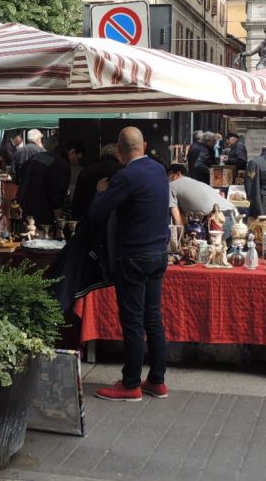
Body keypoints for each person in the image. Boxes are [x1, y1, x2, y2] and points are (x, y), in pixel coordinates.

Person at [87, 127, 170, 402]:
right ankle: (157, 380)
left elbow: (98, 212)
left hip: (134, 254)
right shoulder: (158, 170)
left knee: (133, 321)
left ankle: (131, 383)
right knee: (153, 318)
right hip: (159, 252)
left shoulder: (126, 176)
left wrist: (101, 191)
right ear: (144, 146)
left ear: (120, 152)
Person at [166, 164, 236, 235]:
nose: (166, 178)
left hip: (218, 220)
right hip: (234, 217)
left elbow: (177, 219)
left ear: (178, 173)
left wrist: (180, 239)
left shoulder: (171, 186)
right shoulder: (194, 183)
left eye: (168, 175)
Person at [17, 142, 70, 226]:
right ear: (72, 152)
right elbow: (57, 195)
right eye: (78, 158)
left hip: (24, 205)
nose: (76, 162)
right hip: (41, 212)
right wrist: (59, 222)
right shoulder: (61, 164)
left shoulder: (37, 156)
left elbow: (20, 173)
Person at [71, 144, 124, 221]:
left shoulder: (85, 172)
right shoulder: (124, 171)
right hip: (116, 221)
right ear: (119, 155)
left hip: (89, 220)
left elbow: (77, 203)